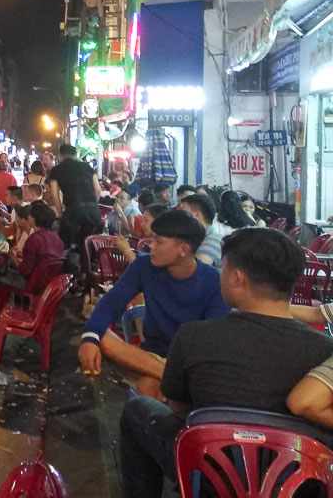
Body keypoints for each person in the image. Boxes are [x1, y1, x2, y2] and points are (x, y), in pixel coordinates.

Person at [119, 228, 333, 498]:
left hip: (209, 478)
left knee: (137, 409)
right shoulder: (325, 350)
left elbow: (180, 407)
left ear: (236, 277)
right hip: (296, 484)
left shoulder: (193, 336)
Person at [78, 210, 229, 398]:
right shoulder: (143, 266)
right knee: (100, 336)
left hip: (189, 363)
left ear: (183, 249)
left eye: (159, 242)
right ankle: (169, 377)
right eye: (152, 239)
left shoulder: (214, 282)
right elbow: (111, 302)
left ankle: (168, 379)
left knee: (149, 386)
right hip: (150, 357)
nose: (151, 246)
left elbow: (212, 341)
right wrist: (90, 339)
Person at [47, 143, 103, 269]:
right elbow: (98, 190)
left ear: (60, 155)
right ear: (75, 155)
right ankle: (85, 277)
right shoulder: (87, 166)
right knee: (85, 243)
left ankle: (68, 277)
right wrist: (92, 204)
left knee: (63, 244)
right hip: (93, 213)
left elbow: (55, 196)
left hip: (73, 211)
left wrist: (62, 214)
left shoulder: (56, 170)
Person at [2, 201, 63, 290]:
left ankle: (9, 303)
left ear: (33, 219)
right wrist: (21, 254)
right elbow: (43, 257)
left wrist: (14, 258)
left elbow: (25, 270)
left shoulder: (34, 239)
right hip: (51, 280)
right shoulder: (56, 237)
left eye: (30, 215)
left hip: (34, 282)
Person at [179, 193, 226, 267]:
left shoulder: (215, 239)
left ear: (196, 215)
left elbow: (195, 269)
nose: (178, 216)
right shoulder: (194, 238)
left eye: (182, 212)